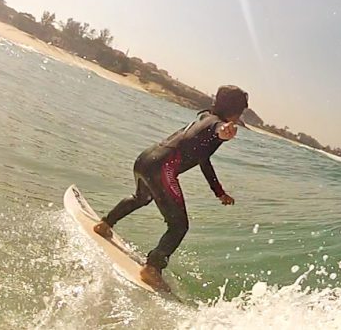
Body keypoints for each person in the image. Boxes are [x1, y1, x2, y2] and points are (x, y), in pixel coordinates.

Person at [93, 85, 249, 290]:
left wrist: (219, 192)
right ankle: (152, 268)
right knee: (179, 226)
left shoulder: (203, 117)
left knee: (140, 198)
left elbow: (204, 160)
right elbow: (218, 130)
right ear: (235, 112)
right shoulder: (216, 125)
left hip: (146, 159)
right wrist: (224, 132)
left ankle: (105, 225)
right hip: (162, 169)